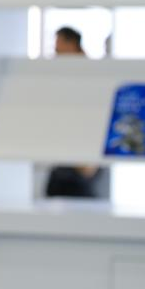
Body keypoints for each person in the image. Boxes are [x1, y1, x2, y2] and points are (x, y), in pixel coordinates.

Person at [46, 26, 104, 198]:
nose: (55, 52)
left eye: (58, 47)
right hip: (67, 155)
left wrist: (89, 162)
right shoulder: (65, 75)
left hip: (83, 160)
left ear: (71, 44)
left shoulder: (89, 74)